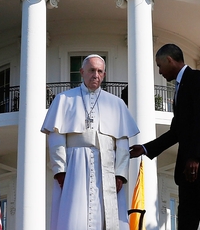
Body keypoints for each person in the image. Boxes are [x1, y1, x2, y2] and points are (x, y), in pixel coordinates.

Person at [129, 43, 200, 230]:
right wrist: (145, 148)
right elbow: (177, 131)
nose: (160, 71)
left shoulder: (196, 78)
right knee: (187, 217)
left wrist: (195, 156)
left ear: (169, 60)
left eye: (160, 66)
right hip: (190, 167)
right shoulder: (181, 86)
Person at [41, 54, 139, 230]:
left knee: (107, 216)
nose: (96, 75)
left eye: (100, 71)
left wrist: (120, 174)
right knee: (73, 214)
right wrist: (60, 169)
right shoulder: (64, 99)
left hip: (107, 166)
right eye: (92, 70)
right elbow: (56, 137)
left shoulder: (116, 104)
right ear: (82, 72)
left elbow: (122, 142)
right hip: (74, 165)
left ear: (104, 74)